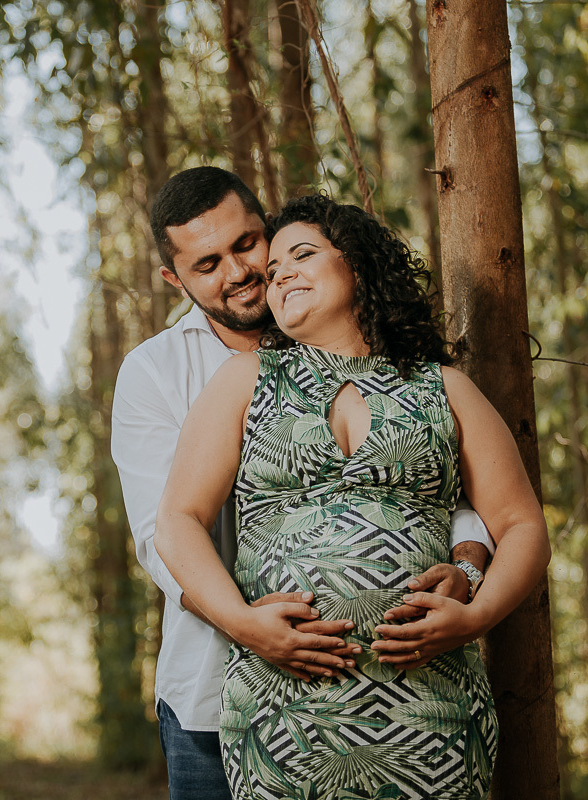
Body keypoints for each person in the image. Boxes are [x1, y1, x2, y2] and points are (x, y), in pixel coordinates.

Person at [111, 167, 493, 800]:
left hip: (406, 699)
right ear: (174, 279)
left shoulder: (370, 343)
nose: (237, 272)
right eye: (207, 265)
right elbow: (163, 533)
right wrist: (246, 625)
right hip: (222, 695)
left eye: (245, 244)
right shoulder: (156, 371)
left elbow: (436, 484)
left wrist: (468, 567)